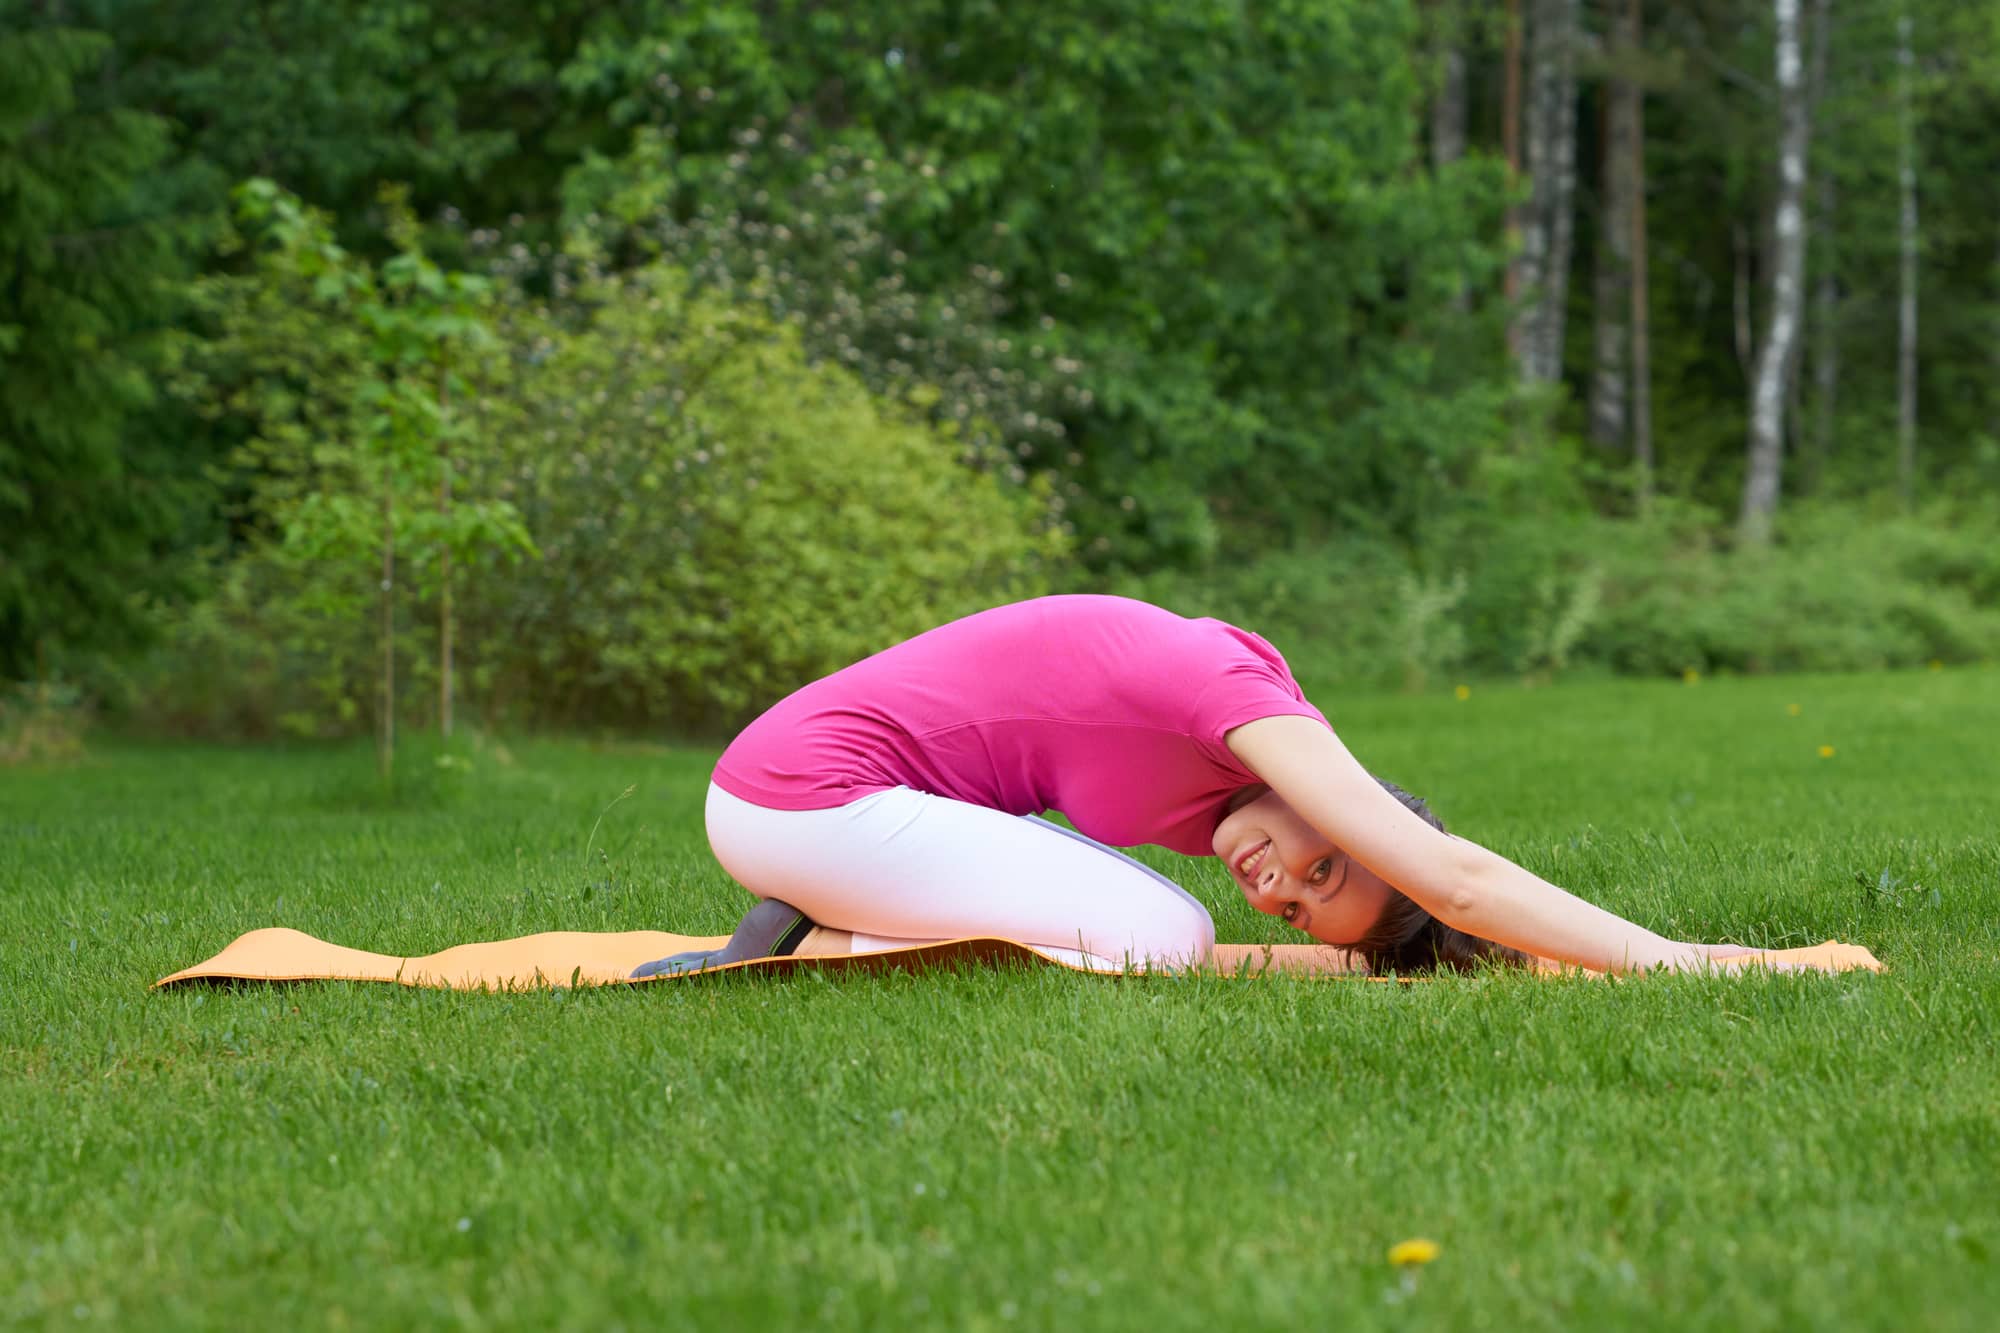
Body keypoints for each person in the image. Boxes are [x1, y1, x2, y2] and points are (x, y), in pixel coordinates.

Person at [635, 595, 1772, 977]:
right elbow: (1456, 880)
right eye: (1322, 862)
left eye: (1290, 908)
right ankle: (818, 938)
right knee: (1165, 934)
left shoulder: (1221, 791)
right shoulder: (1235, 703)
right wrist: (1679, 960)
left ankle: (829, 916)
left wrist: (1430, 956)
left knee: (1149, 923)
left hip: (812, 805)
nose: (1272, 883)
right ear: (1351, 804)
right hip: (804, 795)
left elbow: (1435, 911)